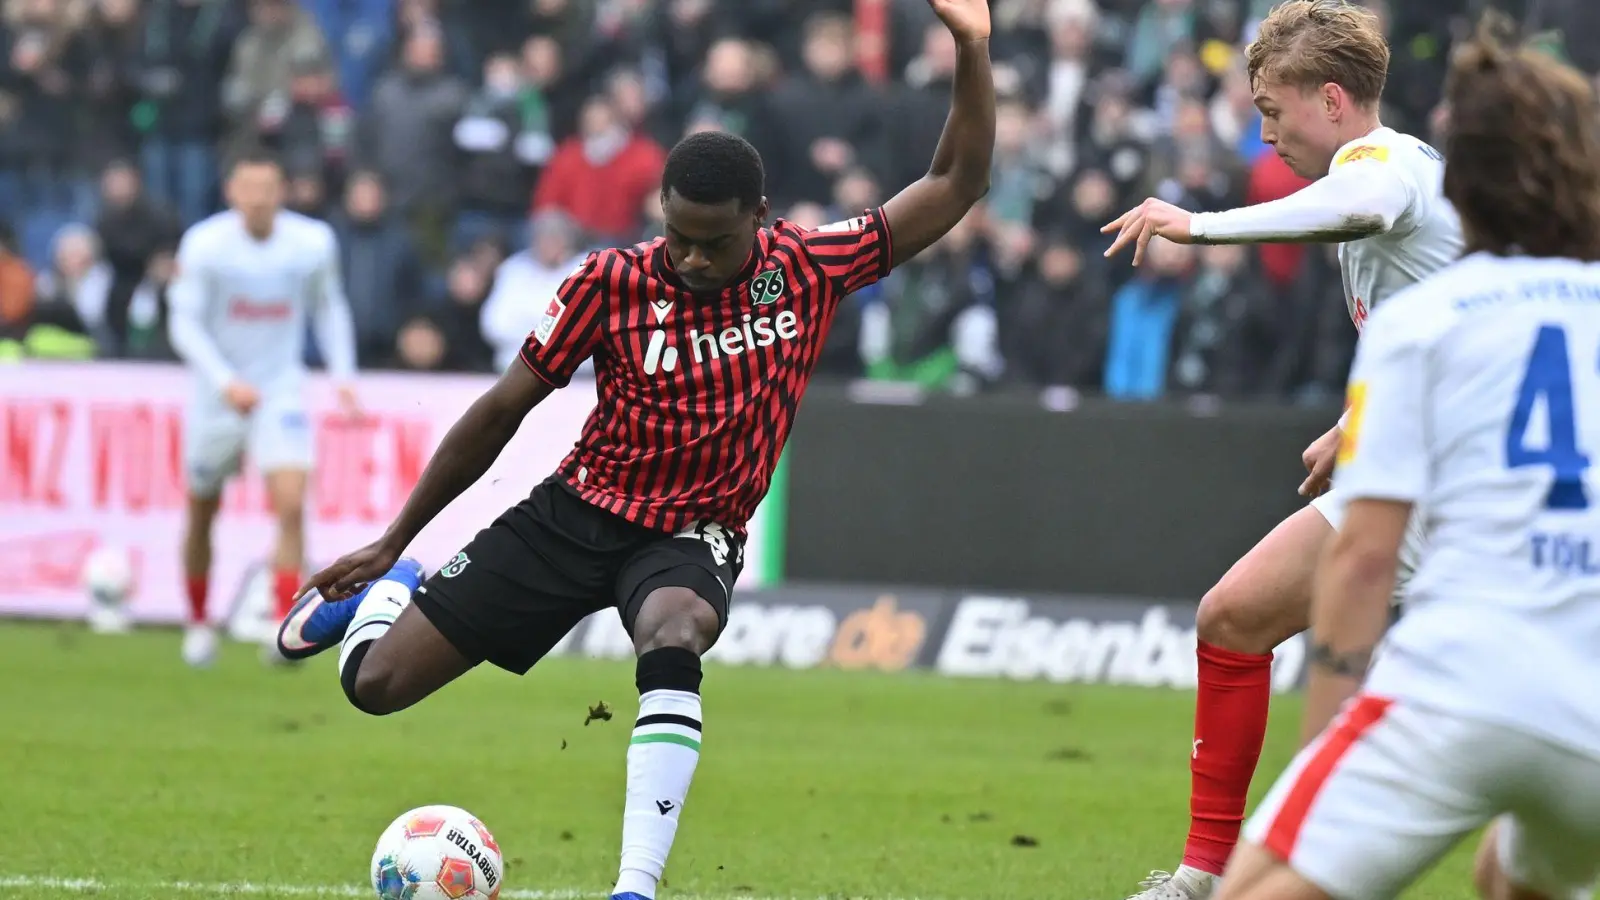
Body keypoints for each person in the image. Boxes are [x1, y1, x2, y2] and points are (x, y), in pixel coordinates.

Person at [277, 3, 994, 900]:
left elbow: (959, 180)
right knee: (373, 687)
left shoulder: (809, 267)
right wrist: (392, 542)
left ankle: (634, 888)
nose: (691, 259)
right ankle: (397, 592)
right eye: (678, 234)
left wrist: (971, 46)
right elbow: (502, 409)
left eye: (715, 242)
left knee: (675, 630)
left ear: (760, 218)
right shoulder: (608, 283)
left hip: (690, 531)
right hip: (575, 513)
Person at [1217, 17, 1600, 900]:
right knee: (1516, 878)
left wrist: (1324, 745)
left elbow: (1361, 558)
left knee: (1257, 888)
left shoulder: (1429, 318)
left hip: (1463, 683)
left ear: (1460, 179)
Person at [1098, 2, 1464, 897]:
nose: (1265, 134)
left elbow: (1357, 211)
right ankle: (1203, 877)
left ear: (1333, 100)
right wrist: (1355, 422)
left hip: (1457, 487)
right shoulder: (1409, 180)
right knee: (1233, 618)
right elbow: (1446, 318)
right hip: (1411, 464)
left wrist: (1199, 224)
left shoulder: (1384, 166)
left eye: (1275, 109)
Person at [167, 146, 359, 668]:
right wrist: (226, 382)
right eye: (248, 189)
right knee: (202, 510)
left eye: (267, 190)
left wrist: (343, 375)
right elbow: (184, 323)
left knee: (292, 504)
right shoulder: (206, 244)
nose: (258, 200)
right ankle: (199, 623)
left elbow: (329, 305)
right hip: (217, 396)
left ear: (282, 192)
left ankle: (283, 630)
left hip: (280, 391)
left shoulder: (312, 242)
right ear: (232, 192)